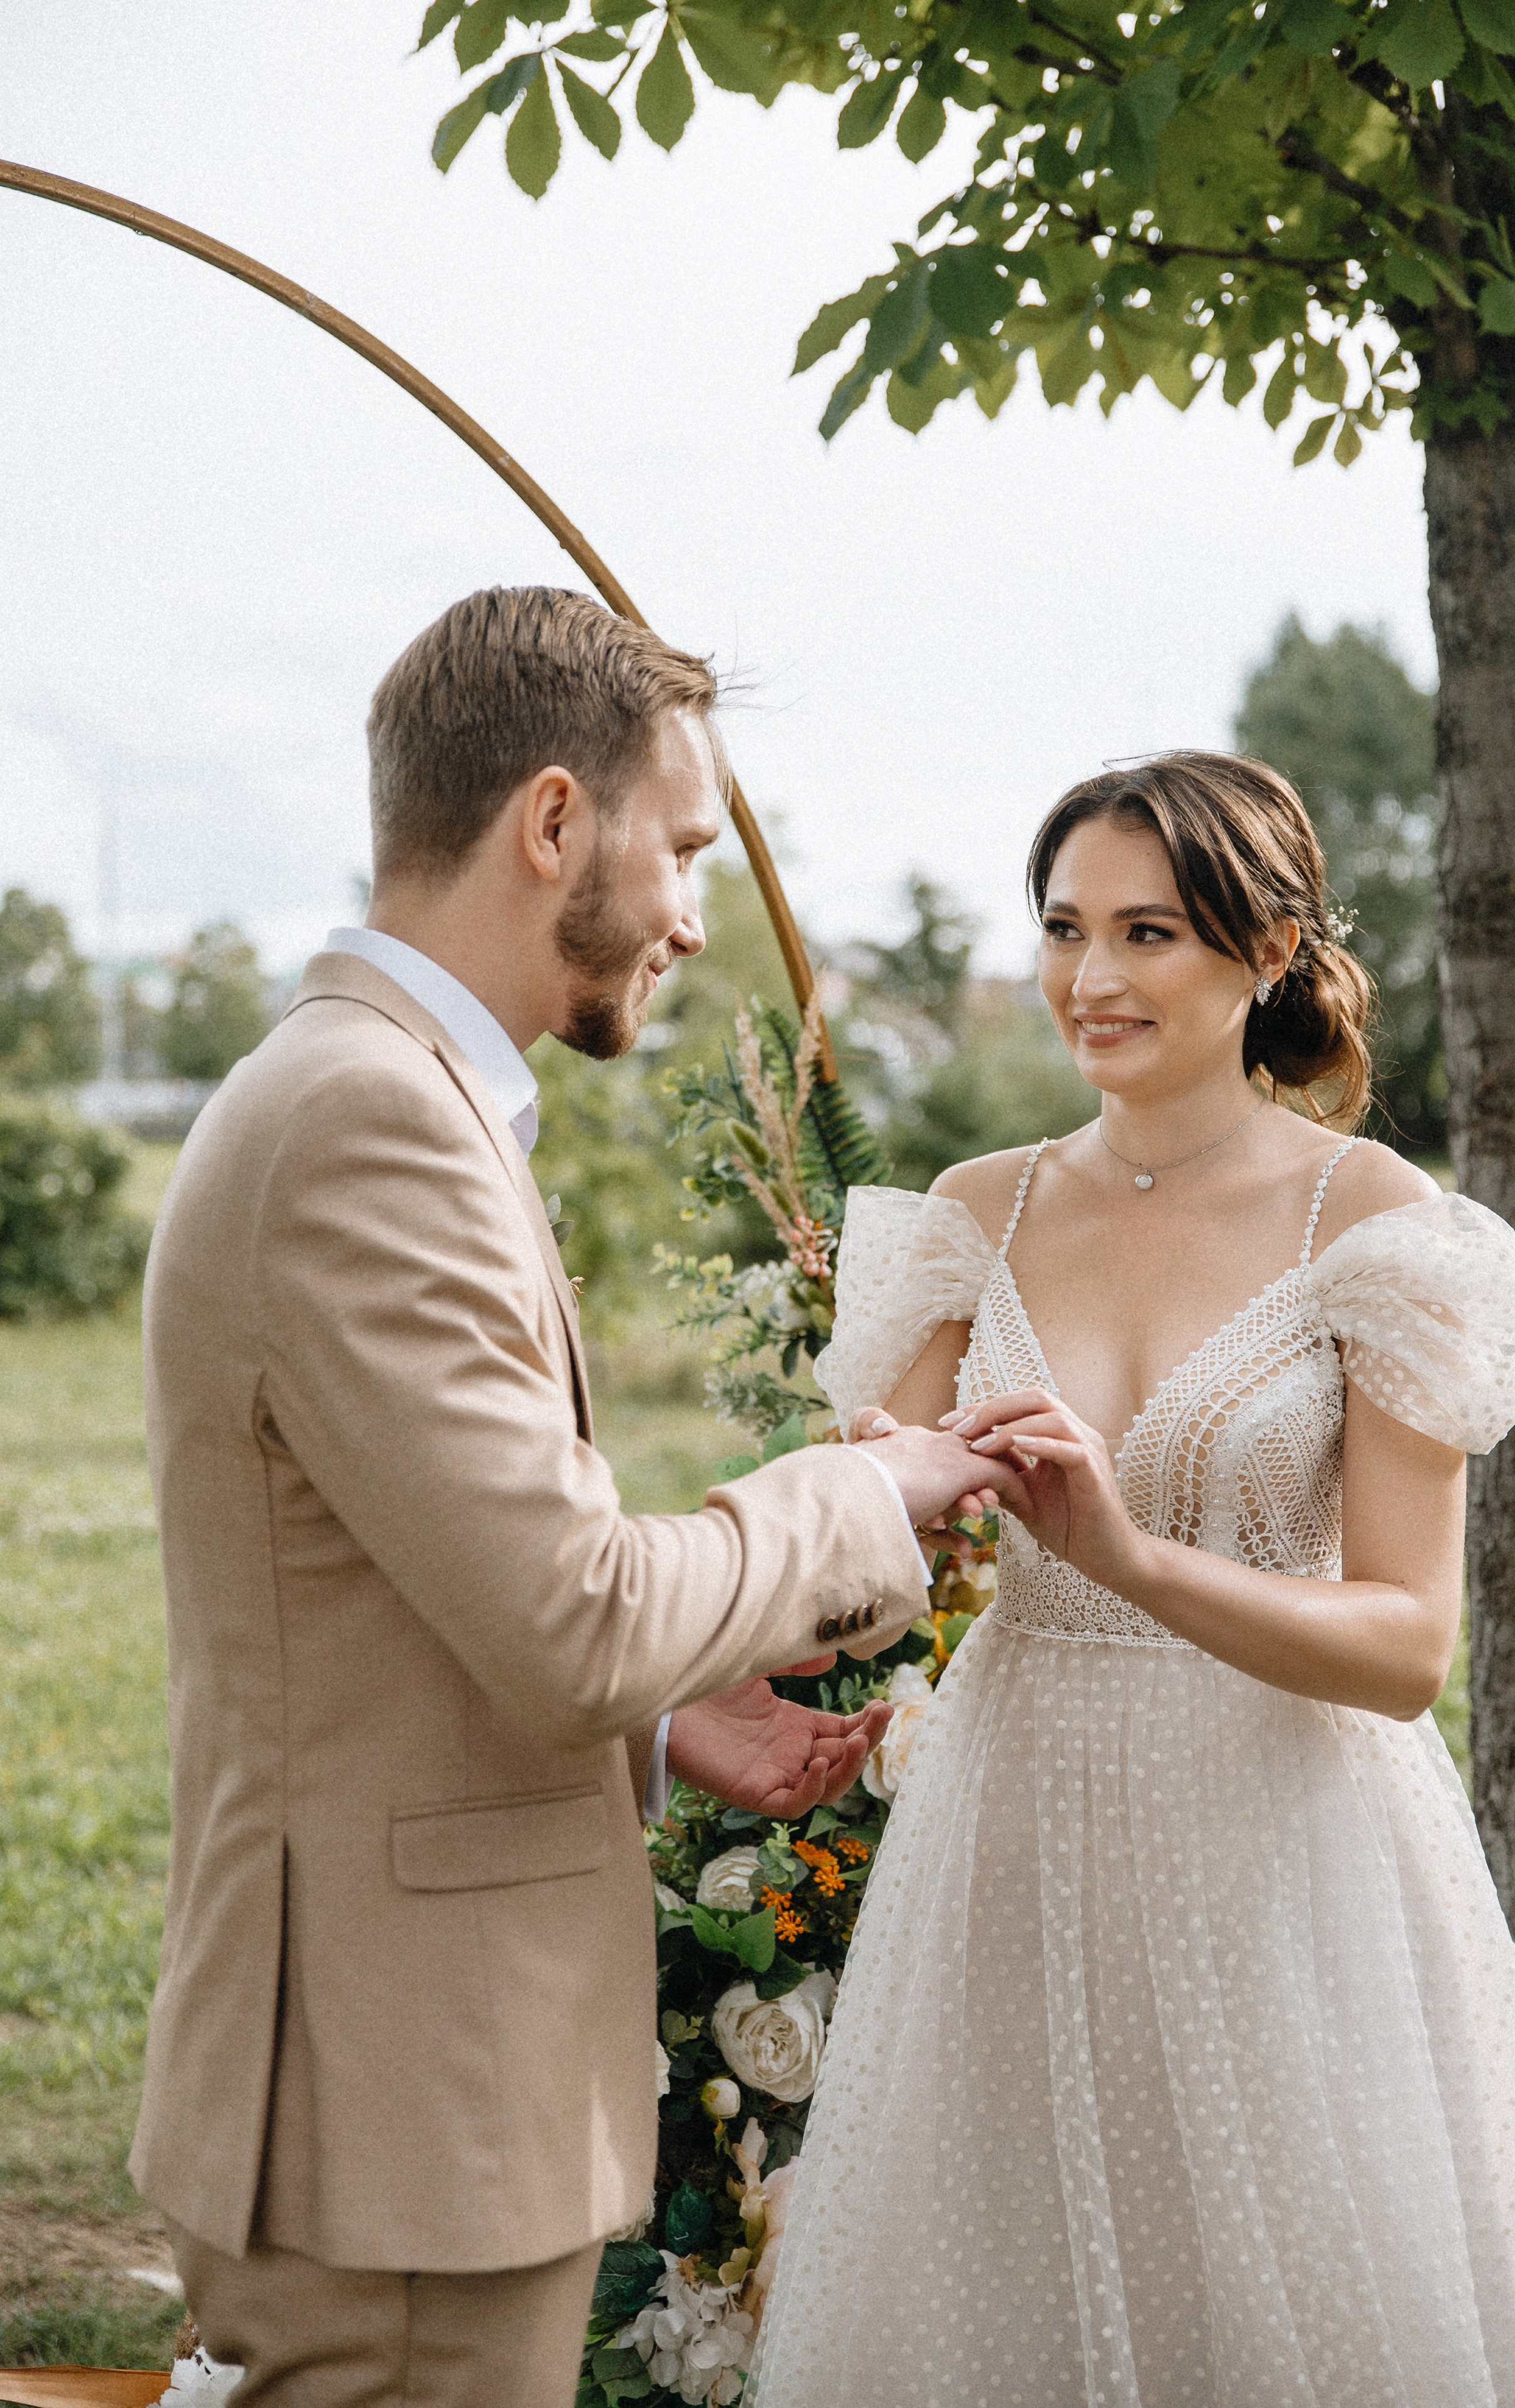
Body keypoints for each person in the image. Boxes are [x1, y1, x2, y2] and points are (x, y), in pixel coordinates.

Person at [130, 588, 1015, 2407]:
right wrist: (870, 1489)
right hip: (400, 2116)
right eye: (679, 848)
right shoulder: (372, 1122)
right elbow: (576, 1613)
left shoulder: (379, 1090)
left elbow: (419, 1586)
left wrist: (665, 1719)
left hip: (403, 2093)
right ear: (553, 822)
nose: (691, 913)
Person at [752, 752, 1515, 2407]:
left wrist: (1130, 1558)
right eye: (1066, 928)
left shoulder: (1374, 1223)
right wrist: (865, 1503)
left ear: (1268, 949)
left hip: (1286, 1848)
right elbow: (871, 1556)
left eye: (1148, 933)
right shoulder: (971, 1216)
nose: (1092, 977)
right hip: (1018, 1822)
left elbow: (1406, 1646)